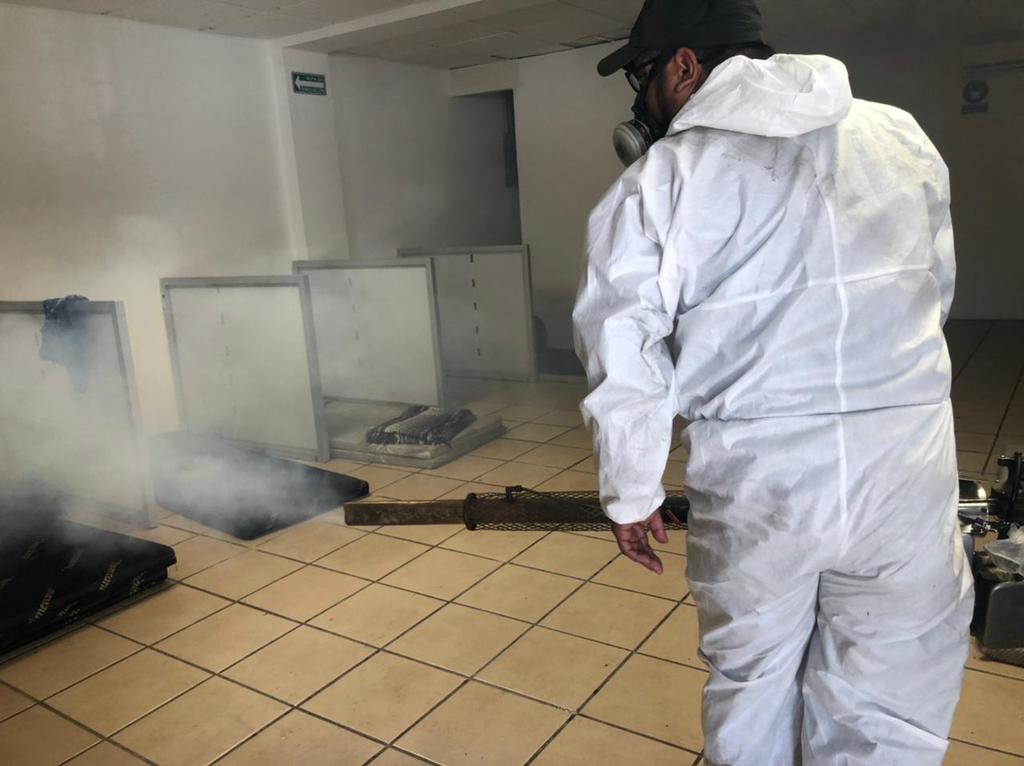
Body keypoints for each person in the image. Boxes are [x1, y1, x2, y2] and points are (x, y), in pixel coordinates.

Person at [572, 1, 974, 763]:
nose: (641, 98)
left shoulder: (663, 177)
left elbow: (624, 345)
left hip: (762, 477)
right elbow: (933, 287)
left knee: (754, 680)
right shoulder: (898, 134)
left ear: (684, 66)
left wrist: (631, 489)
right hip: (905, 462)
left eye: (642, 74)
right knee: (891, 696)